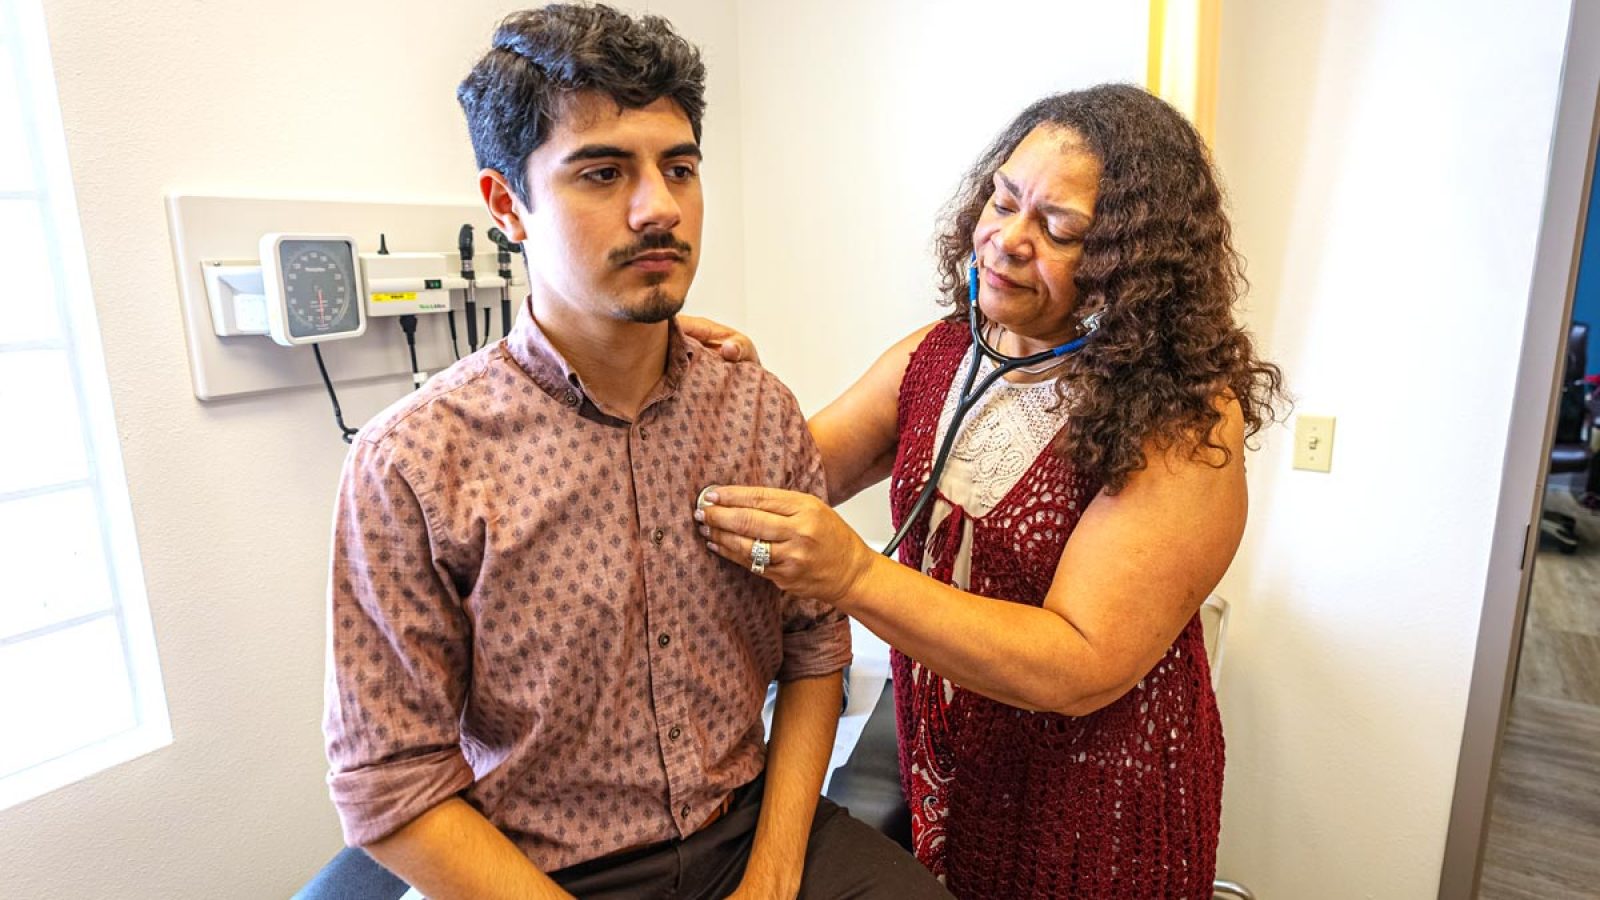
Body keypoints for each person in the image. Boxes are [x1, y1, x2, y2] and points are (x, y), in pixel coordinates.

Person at [319, 6, 951, 899]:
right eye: (604, 172)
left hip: (751, 833)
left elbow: (815, 653)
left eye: (679, 167)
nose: (659, 208)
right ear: (508, 207)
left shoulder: (756, 415)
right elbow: (388, 780)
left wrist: (771, 878)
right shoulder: (415, 466)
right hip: (540, 871)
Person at [693, 85, 1286, 899]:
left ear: (1131, 261)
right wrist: (713, 389)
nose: (1005, 241)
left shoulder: (1184, 421)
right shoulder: (941, 354)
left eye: (1058, 229)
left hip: (1091, 815)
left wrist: (854, 575)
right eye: (1002, 201)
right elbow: (796, 472)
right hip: (947, 773)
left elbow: (1077, 662)